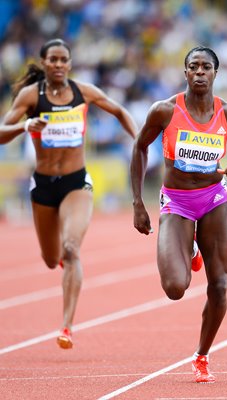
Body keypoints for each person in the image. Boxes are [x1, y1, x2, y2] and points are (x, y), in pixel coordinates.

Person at [130, 46, 227, 383]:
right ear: (186, 72)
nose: (200, 72)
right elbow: (139, 147)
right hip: (176, 201)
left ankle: (202, 355)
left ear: (216, 74)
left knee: (219, 286)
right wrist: (137, 202)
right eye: (194, 67)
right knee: (176, 288)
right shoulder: (164, 111)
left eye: (207, 67)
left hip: (214, 200)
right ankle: (188, 247)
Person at [0, 38, 138, 349]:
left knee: (72, 248)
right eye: (53, 60)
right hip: (44, 185)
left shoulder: (83, 92)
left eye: (64, 60)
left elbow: (119, 111)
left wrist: (139, 140)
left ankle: (67, 326)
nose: (59, 65)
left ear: (70, 64)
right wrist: (25, 127)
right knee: (52, 259)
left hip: (77, 182)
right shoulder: (29, 97)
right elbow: (1, 133)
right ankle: (63, 262)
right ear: (44, 63)